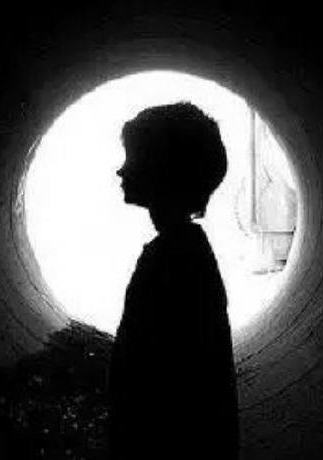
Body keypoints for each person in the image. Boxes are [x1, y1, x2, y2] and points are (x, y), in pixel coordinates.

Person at [108, 102, 240, 460]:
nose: (121, 170)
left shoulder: (169, 259)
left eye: (133, 158)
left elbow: (149, 381)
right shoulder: (188, 250)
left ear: (163, 171)